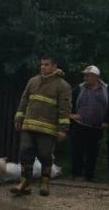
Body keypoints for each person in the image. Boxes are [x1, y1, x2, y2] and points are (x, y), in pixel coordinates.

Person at [11, 55, 72, 196]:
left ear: (54, 66)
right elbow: (24, 100)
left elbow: (65, 109)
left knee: (45, 155)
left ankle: (45, 183)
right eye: (42, 64)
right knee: (25, 154)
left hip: (47, 128)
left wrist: (63, 129)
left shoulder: (63, 86)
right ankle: (25, 183)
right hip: (28, 125)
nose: (43, 67)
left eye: (46, 64)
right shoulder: (32, 81)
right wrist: (19, 117)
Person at [69, 65, 109, 182]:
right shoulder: (79, 88)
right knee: (77, 150)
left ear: (96, 76)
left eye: (88, 75)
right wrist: (70, 114)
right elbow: (67, 102)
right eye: (85, 75)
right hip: (79, 124)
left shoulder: (107, 90)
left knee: (92, 152)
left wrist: (107, 121)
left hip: (96, 126)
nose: (85, 78)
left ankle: (89, 175)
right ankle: (76, 174)